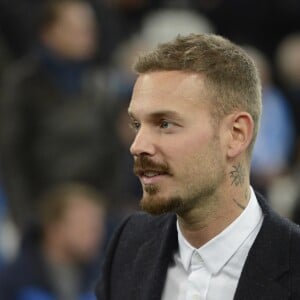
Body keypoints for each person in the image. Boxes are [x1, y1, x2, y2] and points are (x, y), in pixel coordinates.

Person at [96, 33, 300, 300]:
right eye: (137, 125)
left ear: (236, 134)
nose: (138, 145)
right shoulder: (129, 243)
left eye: (165, 123)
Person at [0, 0, 116, 231]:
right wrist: (25, 216)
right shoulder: (23, 85)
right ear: (48, 33)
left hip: (95, 206)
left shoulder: (100, 86)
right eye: (76, 30)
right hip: (42, 207)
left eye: (89, 29)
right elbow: (12, 155)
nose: (87, 37)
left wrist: (107, 208)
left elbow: (113, 152)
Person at [0, 182, 106, 300]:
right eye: (84, 225)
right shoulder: (15, 281)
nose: (95, 234)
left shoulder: (105, 277)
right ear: (54, 228)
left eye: (97, 226)